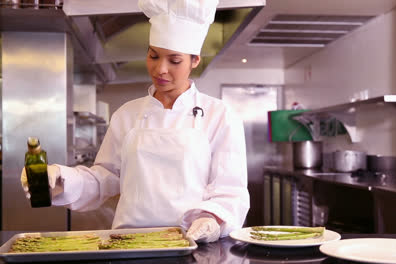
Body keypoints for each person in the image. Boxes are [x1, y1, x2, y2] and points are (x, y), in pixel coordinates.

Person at [20, 0, 249, 243]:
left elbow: (230, 191)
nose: (160, 69)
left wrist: (213, 220)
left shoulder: (220, 115)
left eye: (174, 60)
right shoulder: (127, 115)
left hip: (192, 243)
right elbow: (104, 179)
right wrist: (59, 178)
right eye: (153, 55)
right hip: (128, 243)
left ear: (194, 61)